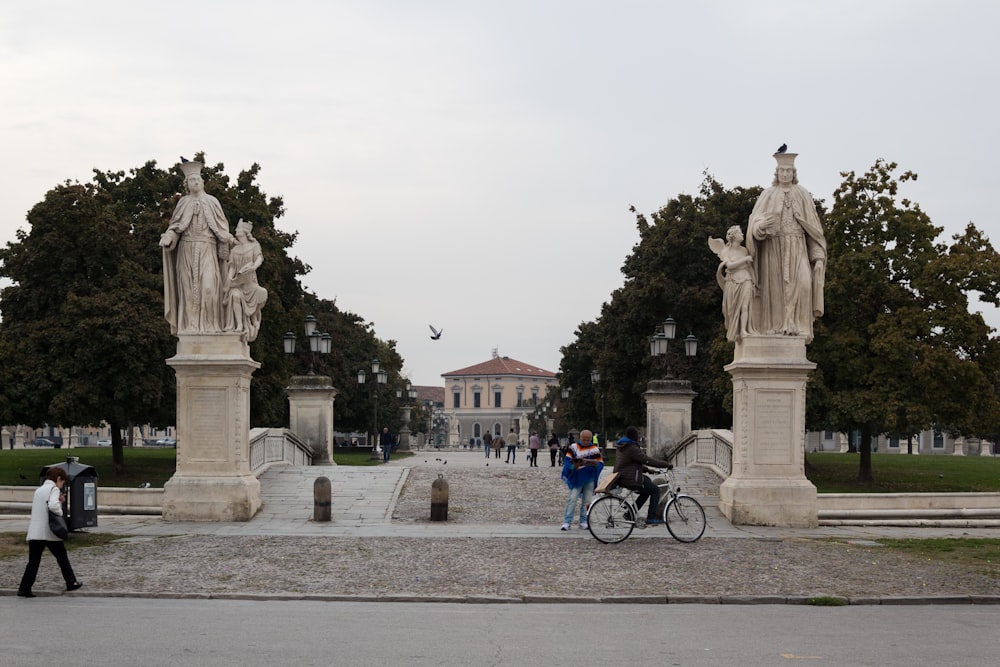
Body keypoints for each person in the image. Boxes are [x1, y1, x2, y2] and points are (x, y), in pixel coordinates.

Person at [746, 151, 827, 342]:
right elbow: (754, 222)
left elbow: (814, 229)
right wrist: (760, 228)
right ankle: (778, 327)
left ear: (793, 173)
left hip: (798, 246)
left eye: (788, 171)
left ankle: (798, 327)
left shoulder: (803, 194)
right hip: (774, 248)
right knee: (777, 289)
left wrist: (818, 258)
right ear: (777, 172)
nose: (785, 174)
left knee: (804, 283)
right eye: (781, 170)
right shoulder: (768, 194)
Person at [160, 160, 234, 336]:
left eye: (197, 179)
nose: (195, 182)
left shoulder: (212, 201)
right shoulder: (183, 203)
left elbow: (223, 229)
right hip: (186, 250)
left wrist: (231, 240)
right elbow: (176, 227)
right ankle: (190, 328)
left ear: (202, 182)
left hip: (207, 249)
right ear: (187, 184)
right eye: (191, 180)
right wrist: (169, 236)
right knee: (187, 291)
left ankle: (210, 326)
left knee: (208, 288)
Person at [18, 468, 82, 597]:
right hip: (49, 532)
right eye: (62, 482)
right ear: (58, 478)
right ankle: (71, 582)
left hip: (36, 532)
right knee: (62, 557)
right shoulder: (54, 489)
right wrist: (60, 506)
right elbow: (53, 506)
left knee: (33, 561)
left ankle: (24, 588)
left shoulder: (39, 490)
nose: (62, 484)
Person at [613, 426, 672, 528]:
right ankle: (651, 518)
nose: (638, 437)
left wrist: (649, 471)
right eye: (637, 435)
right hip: (630, 478)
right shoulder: (631, 447)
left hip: (624, 476)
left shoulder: (623, 445)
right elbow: (646, 459)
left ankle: (629, 514)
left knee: (646, 491)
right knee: (655, 490)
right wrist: (665, 464)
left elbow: (632, 462)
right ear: (634, 436)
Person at [222, 218, 268, 342]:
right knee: (234, 295)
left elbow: (259, 259)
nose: (236, 230)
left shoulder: (254, 245)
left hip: (251, 283)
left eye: (238, 229)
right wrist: (229, 279)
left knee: (262, 293)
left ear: (244, 232)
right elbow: (231, 268)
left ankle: (254, 318)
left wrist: (253, 266)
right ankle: (239, 325)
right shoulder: (235, 250)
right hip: (238, 284)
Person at [708, 225, 756, 342]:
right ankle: (737, 330)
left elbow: (750, 268)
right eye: (740, 233)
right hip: (733, 282)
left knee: (746, 306)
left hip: (746, 279)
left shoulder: (744, 250)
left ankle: (744, 330)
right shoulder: (726, 251)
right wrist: (745, 259)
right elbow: (729, 266)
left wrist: (755, 282)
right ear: (734, 236)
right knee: (734, 309)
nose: (742, 234)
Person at [560, 429, 603, 530]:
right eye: (584, 439)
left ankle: (583, 521)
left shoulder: (594, 449)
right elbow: (567, 462)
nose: (586, 442)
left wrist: (596, 464)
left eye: (588, 440)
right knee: (572, 499)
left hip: (589, 477)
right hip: (577, 477)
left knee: (587, 501)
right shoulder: (574, 448)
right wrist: (573, 466)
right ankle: (567, 521)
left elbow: (600, 463)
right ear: (580, 438)